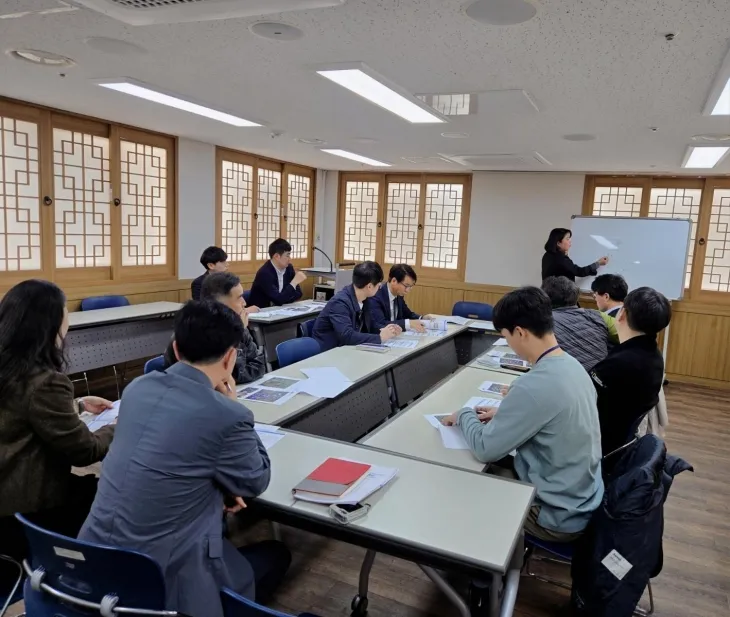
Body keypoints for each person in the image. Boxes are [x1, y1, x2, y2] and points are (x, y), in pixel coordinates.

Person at [79, 301, 290, 617]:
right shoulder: (227, 414)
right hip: (160, 580)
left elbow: (168, 456)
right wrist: (235, 408)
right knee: (276, 556)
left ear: (176, 349)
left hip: (91, 563)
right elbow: (255, 480)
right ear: (230, 357)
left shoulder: (136, 389)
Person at [442, 286, 603, 542]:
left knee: (461, 488)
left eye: (506, 337)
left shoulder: (534, 385)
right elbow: (551, 414)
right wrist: (506, 413)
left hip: (554, 514)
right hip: (582, 497)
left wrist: (463, 414)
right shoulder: (573, 366)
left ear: (520, 332)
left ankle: (478, 563)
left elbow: (485, 448)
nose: (509, 344)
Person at [0, 280, 115, 566]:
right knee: (111, 498)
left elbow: (17, 412)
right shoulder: (45, 381)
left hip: (7, 492)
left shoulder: (9, 367)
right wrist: (118, 426)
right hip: (26, 508)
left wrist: (77, 404)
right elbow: (86, 451)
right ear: (49, 326)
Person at [590, 287, 671, 457]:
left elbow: (583, 402)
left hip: (598, 446)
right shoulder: (654, 356)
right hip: (621, 443)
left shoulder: (621, 363)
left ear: (622, 314)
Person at [164, 272, 265, 383]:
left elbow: (259, 365)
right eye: (239, 297)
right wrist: (238, 333)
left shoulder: (237, 324)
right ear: (220, 304)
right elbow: (228, 374)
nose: (244, 303)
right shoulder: (193, 333)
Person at [312, 261, 400, 352]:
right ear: (369, 286)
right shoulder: (340, 303)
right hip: (329, 351)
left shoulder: (365, 298)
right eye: (378, 285)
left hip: (347, 349)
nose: (379, 288)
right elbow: (347, 336)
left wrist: (387, 330)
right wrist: (379, 337)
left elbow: (370, 325)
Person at [541, 276, 618, 372]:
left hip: (567, 377)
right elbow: (627, 334)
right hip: (602, 376)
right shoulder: (599, 316)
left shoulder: (542, 322)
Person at [367, 264, 436, 333]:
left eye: (411, 286)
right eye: (406, 286)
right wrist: (408, 323)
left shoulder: (399, 294)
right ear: (394, 281)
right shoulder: (376, 295)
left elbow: (407, 313)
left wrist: (422, 318)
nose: (408, 290)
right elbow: (381, 323)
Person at [248, 238, 306, 308]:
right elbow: (278, 300)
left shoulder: (289, 268)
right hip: (261, 311)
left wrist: (283, 298)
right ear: (276, 256)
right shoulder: (264, 273)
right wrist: (294, 282)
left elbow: (298, 294)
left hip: (280, 309)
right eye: (287, 255)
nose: (290, 259)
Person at [542, 228, 608, 282]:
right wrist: (598, 263)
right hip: (560, 292)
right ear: (558, 243)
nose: (570, 241)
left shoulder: (547, 255)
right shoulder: (561, 259)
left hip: (548, 291)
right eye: (567, 239)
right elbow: (579, 271)